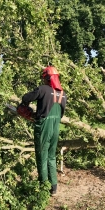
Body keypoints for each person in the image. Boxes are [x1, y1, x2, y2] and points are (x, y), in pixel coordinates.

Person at [20, 66, 67, 195]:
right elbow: (61, 114)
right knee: (51, 156)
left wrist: (25, 107)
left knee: (42, 156)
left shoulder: (43, 89)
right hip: (55, 127)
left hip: (44, 127)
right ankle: (53, 186)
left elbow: (26, 98)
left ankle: (43, 187)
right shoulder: (63, 95)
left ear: (47, 78)